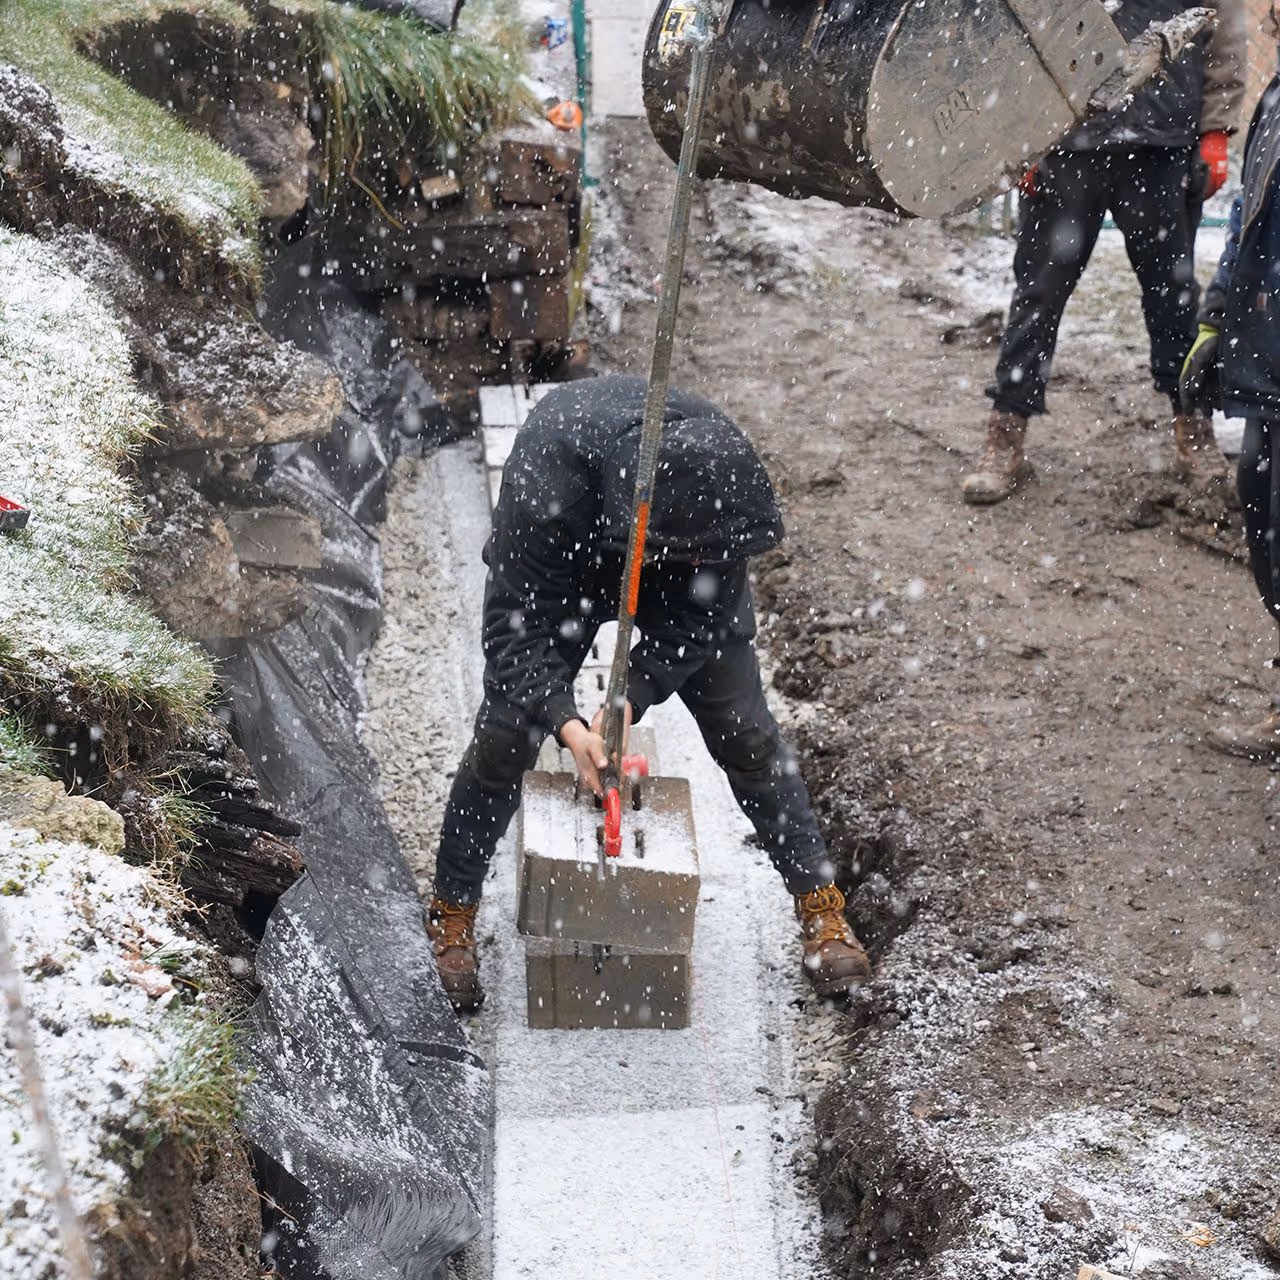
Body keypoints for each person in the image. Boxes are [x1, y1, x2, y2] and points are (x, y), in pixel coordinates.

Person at [425, 376, 870, 1010]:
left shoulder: (718, 485)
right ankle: (452, 911)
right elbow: (512, 638)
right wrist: (567, 725)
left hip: (670, 553)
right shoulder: (548, 483)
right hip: (574, 557)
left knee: (746, 734)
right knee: (503, 740)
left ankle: (821, 907)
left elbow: (705, 619)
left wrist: (631, 696)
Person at [962, 0, 1247, 505]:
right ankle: (1006, 430)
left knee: (1174, 298)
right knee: (1039, 295)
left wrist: (1216, 130)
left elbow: (1222, 25)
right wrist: (1016, 131)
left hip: (1163, 140)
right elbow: (1014, 25)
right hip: (1064, 135)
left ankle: (1192, 426)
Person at [1181, 0, 1280, 758]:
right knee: (1264, 515)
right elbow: (1251, 211)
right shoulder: (1276, 97)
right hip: (1268, 350)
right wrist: (1217, 318)